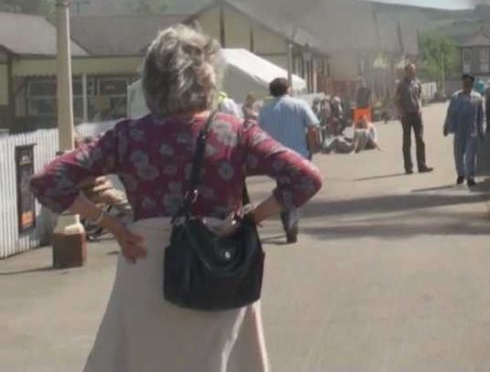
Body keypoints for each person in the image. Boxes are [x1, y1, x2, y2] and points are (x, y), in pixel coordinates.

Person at [29, 25, 323, 372]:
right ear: (209, 79)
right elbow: (305, 178)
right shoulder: (235, 132)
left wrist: (111, 225)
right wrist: (252, 219)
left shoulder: (129, 136)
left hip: (145, 264)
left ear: (153, 81)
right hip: (220, 269)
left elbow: (48, 180)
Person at [258, 77, 321, 243]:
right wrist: (312, 146)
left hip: (275, 157)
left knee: (283, 188)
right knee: (299, 189)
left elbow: (259, 132)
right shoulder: (299, 105)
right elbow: (313, 126)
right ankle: (293, 219)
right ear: (288, 89)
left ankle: (288, 223)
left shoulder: (265, 110)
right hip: (299, 154)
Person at [443, 73, 486, 187]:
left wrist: (482, 129)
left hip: (472, 131)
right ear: (462, 84)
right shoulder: (456, 97)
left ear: (472, 84)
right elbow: (450, 113)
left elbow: (481, 116)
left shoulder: (477, 97)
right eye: (465, 83)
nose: (466, 85)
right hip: (459, 130)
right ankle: (461, 174)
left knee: (471, 156)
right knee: (458, 155)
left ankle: (470, 176)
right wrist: (446, 126)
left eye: (469, 83)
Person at [394, 64, 432, 174]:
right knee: (407, 142)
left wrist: (420, 108)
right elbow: (397, 100)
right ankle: (408, 167)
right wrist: (401, 112)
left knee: (420, 140)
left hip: (417, 115)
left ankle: (422, 165)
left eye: (414, 70)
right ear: (406, 72)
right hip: (407, 116)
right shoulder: (401, 85)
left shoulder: (417, 83)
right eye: (411, 70)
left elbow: (419, 97)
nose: (413, 72)